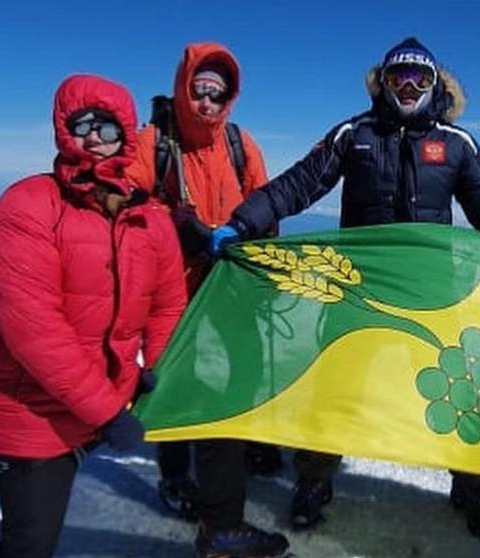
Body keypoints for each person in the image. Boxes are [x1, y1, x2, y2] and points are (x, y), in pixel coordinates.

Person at [210, 36, 480, 540]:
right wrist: (243, 222)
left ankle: (468, 483)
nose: (408, 88)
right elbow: (299, 184)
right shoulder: (355, 134)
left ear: (435, 85)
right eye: (397, 78)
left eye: (419, 79)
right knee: (335, 385)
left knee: (463, 385)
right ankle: (315, 479)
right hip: (354, 288)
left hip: (436, 292)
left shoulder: (458, 144)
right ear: (382, 82)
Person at [0, 74, 188, 558]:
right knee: (29, 544)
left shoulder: (149, 217)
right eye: (81, 123)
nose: (93, 135)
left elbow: (168, 302)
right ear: (62, 130)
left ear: (127, 134)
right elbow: (34, 334)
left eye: (108, 126)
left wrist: (156, 366)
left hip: (108, 395)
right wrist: (109, 412)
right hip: (37, 412)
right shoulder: (27, 207)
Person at [125, 42, 289, 558]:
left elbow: (266, 203)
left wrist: (256, 241)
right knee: (177, 380)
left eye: (218, 93)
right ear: (183, 87)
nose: (207, 103)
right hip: (172, 287)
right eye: (199, 90)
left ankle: (250, 446)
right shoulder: (152, 142)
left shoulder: (241, 145)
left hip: (232, 286)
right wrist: (178, 226)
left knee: (244, 369)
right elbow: (126, 204)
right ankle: (177, 478)